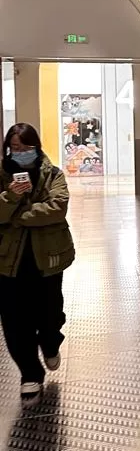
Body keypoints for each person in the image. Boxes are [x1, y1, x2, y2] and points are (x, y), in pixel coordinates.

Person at [0, 124, 75, 405]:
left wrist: (17, 215)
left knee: (50, 314)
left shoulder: (52, 174)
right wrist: (11, 196)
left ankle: (50, 342)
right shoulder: (1, 176)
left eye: (26, 148)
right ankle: (30, 374)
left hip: (48, 258)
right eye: (14, 148)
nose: (20, 153)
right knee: (14, 321)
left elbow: (57, 208)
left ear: (37, 147)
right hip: (8, 261)